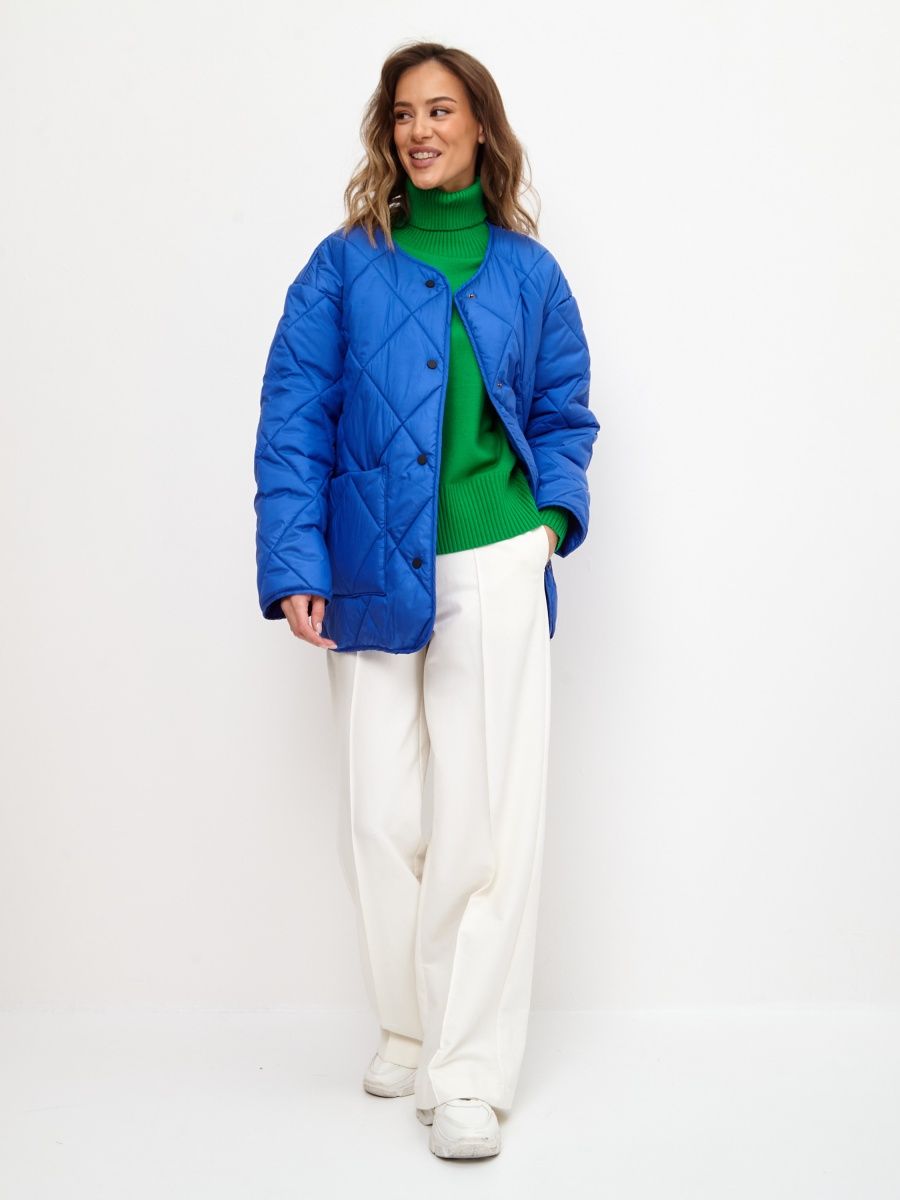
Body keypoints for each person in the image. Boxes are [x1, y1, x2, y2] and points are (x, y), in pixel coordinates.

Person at [253, 41, 600, 1160]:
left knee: (484, 830)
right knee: (380, 817)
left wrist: (548, 524)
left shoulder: (529, 272)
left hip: (495, 560)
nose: (420, 130)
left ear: (479, 127)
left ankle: (468, 1072)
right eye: (403, 114)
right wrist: (295, 564)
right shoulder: (343, 265)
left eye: (441, 110)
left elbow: (565, 411)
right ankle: (410, 1022)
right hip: (367, 566)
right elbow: (293, 415)